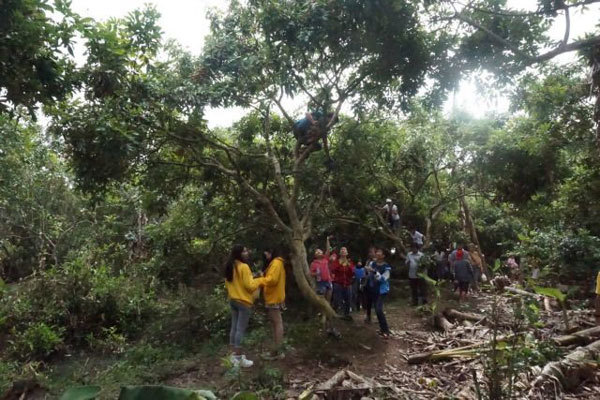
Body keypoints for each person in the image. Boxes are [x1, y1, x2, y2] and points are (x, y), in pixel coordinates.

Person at [224, 244, 266, 368]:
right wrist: (260, 280)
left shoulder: (229, 266)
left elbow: (228, 284)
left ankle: (232, 356)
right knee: (240, 329)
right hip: (244, 302)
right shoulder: (244, 267)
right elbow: (250, 286)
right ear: (239, 254)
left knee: (234, 327)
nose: (247, 253)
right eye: (245, 251)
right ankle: (238, 357)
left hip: (233, 299)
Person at [261, 247, 287, 360]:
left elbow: (272, 280)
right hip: (273, 296)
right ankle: (276, 350)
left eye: (266, 253)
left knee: (277, 322)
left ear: (271, 252)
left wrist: (260, 279)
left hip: (274, 297)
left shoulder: (276, 263)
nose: (266, 256)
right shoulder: (276, 263)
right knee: (275, 323)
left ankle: (277, 351)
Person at [367, 246, 392, 337]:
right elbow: (368, 273)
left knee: (378, 309)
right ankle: (382, 329)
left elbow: (383, 279)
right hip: (373, 289)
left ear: (383, 256)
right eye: (377, 252)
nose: (377, 253)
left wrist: (374, 272)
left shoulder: (387, 267)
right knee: (377, 310)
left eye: (379, 252)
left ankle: (386, 330)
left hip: (382, 291)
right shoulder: (372, 263)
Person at [330, 246, 355, 320]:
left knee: (348, 299)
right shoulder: (336, 262)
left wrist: (349, 265)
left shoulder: (350, 262)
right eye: (342, 250)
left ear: (347, 253)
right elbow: (333, 270)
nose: (343, 251)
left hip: (348, 283)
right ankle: (335, 313)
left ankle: (346, 315)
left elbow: (352, 273)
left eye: (345, 250)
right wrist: (340, 264)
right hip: (338, 283)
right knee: (336, 299)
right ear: (340, 253)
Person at [364, 246, 378, 324]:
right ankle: (368, 316)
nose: (370, 254)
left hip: (375, 283)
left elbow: (378, 271)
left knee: (376, 301)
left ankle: (378, 316)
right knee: (368, 301)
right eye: (369, 252)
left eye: (372, 252)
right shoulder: (368, 261)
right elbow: (366, 272)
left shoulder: (378, 261)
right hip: (368, 282)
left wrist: (371, 270)